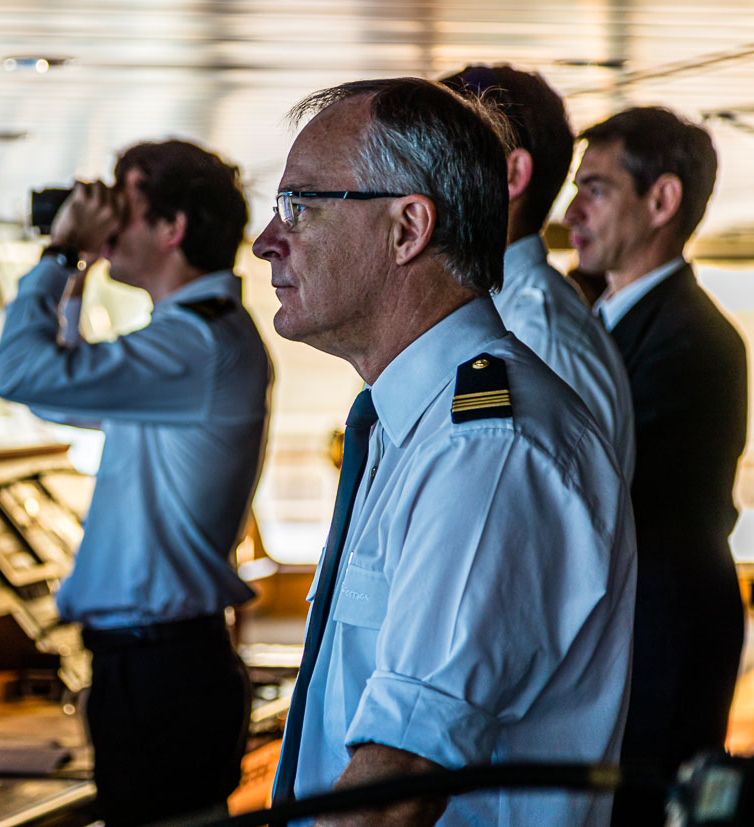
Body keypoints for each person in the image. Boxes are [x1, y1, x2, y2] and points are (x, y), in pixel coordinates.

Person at [252, 77, 636, 825]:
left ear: (408, 228)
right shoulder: (412, 426)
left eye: (300, 205)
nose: (269, 239)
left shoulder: (485, 450)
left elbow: (397, 787)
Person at [0, 139, 272, 825]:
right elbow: (53, 390)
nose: (109, 220)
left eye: (127, 204)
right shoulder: (187, 342)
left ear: (172, 228)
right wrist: (77, 267)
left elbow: (17, 373)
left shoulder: (194, 345)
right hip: (154, 663)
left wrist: (62, 256)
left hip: (164, 669)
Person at [565, 107, 748, 823]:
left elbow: (597, 484)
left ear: (662, 201)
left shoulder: (696, 342)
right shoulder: (600, 322)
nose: (574, 210)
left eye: (597, 189)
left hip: (660, 638)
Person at [440, 64, 635, 480]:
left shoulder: (540, 336)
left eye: (442, 154)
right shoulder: (501, 313)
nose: (416, 177)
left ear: (511, 175)